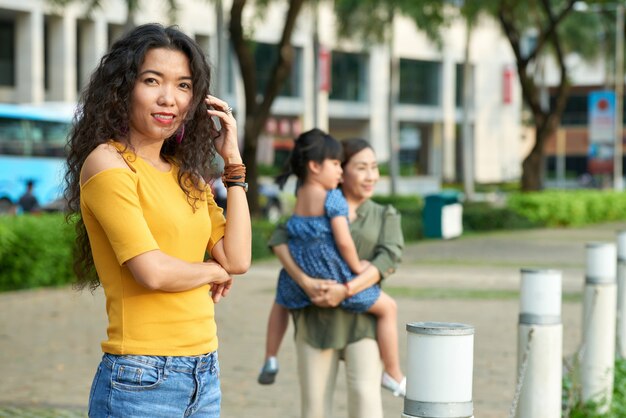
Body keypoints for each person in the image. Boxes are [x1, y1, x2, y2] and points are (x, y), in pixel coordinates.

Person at [63, 23, 251, 418]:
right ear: (123, 87)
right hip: (140, 377)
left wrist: (233, 165)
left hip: (204, 370)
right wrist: (213, 272)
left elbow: (239, 259)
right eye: (152, 80)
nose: (169, 98)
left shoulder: (188, 176)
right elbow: (152, 272)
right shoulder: (108, 164)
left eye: (184, 86)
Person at [262, 132, 405, 416]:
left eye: (374, 167)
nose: (371, 175)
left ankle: (393, 373)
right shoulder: (322, 203)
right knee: (314, 408)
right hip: (315, 321)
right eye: (360, 167)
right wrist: (305, 281)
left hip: (362, 323)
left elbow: (387, 258)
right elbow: (280, 238)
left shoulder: (383, 214)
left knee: (366, 402)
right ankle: (270, 357)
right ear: (341, 170)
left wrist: (347, 289)